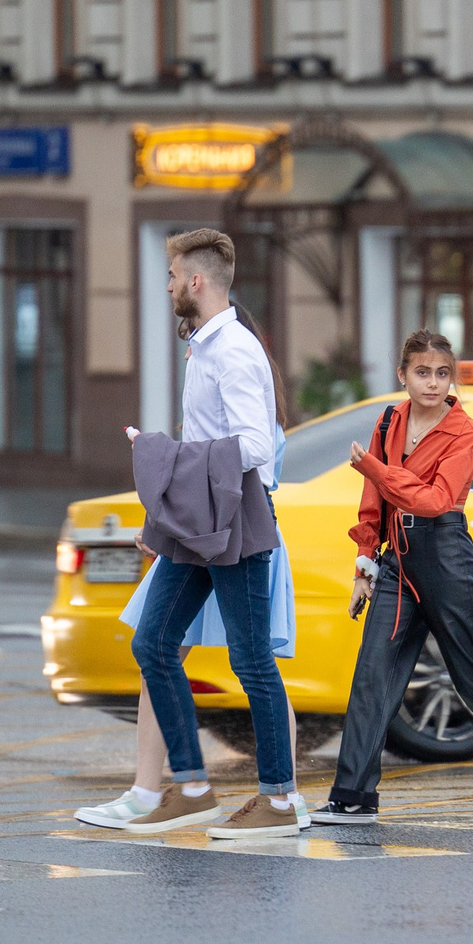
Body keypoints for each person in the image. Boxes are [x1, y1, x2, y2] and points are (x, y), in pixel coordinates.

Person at [312, 332, 473, 825]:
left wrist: (375, 468)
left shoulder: (463, 431)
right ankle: (352, 797)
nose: (432, 382)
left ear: (451, 378)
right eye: (422, 372)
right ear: (403, 375)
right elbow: (375, 502)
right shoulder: (389, 421)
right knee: (373, 676)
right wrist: (365, 563)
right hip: (396, 562)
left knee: (472, 677)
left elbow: (432, 500)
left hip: (446, 557)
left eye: (441, 373)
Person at [79, 303, 302, 832]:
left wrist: (163, 465)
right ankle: (167, 788)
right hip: (197, 535)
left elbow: (245, 466)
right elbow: (194, 479)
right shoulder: (208, 391)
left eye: (195, 338)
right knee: (158, 647)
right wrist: (161, 518)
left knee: (252, 664)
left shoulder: (240, 377)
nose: (190, 348)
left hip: (236, 533)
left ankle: (280, 797)